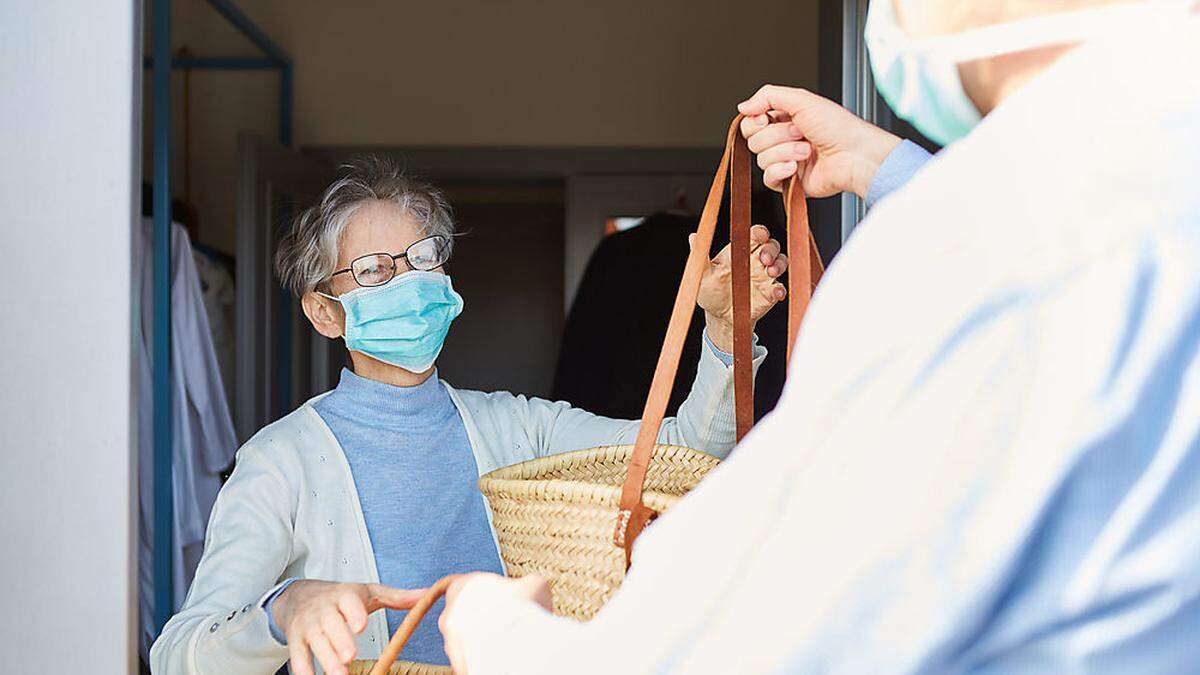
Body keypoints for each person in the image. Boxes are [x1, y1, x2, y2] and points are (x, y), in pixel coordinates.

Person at [437, 1, 1200, 672]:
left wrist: (505, 637)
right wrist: (885, 167)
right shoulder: (1130, 185)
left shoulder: (974, 257)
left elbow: (750, 645)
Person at [149, 156, 792, 675]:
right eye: (374, 271)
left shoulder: (518, 430)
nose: (408, 281)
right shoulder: (280, 461)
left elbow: (688, 457)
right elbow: (178, 655)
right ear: (325, 313)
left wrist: (725, 327)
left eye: (422, 257)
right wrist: (281, 609)